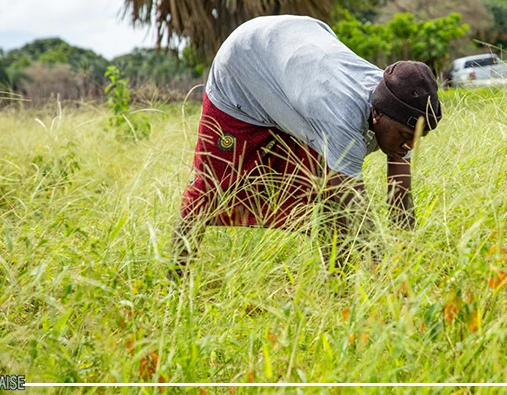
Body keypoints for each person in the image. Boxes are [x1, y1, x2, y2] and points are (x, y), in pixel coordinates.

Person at [172, 15, 442, 278]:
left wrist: (408, 256)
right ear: (377, 115)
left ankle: (337, 285)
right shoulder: (340, 114)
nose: (410, 145)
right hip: (244, 64)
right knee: (209, 189)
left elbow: (400, 199)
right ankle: (174, 282)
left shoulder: (402, 105)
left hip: (299, 53)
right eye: (407, 135)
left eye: (420, 137)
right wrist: (391, 281)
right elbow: (358, 215)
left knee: (328, 189)